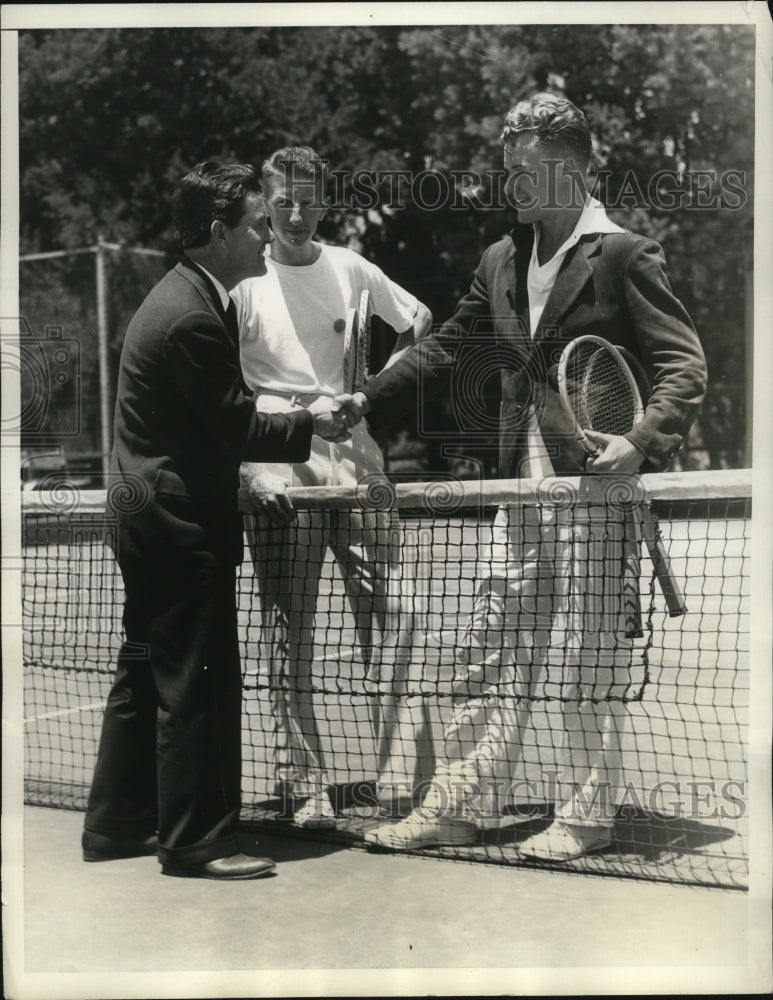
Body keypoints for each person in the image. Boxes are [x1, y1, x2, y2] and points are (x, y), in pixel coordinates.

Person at [337, 93, 708, 861]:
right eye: (507, 169)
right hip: (518, 485)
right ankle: (458, 806)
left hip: (596, 487)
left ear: (572, 171)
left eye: (527, 169)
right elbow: (442, 347)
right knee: (489, 642)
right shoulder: (500, 260)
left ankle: (583, 816)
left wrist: (638, 442)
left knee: (586, 652)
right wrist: (362, 397)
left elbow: (683, 365)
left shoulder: (623, 254)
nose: (512, 183)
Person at [82, 162, 350, 880]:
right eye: (256, 224)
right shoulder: (195, 313)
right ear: (215, 233)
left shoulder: (196, 297)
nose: (267, 236)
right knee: (198, 686)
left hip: (149, 517)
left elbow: (209, 425)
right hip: (176, 525)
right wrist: (314, 423)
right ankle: (198, 842)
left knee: (145, 672)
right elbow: (233, 427)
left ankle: (115, 825)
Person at [232, 146, 436, 828]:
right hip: (278, 465)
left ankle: (400, 781)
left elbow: (421, 322)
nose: (295, 214)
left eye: (308, 201)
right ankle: (307, 784)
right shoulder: (240, 283)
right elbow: (218, 390)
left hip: (359, 461)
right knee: (287, 629)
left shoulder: (351, 267)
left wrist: (370, 395)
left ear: (325, 202)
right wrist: (249, 463)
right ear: (263, 204)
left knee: (396, 613)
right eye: (282, 201)